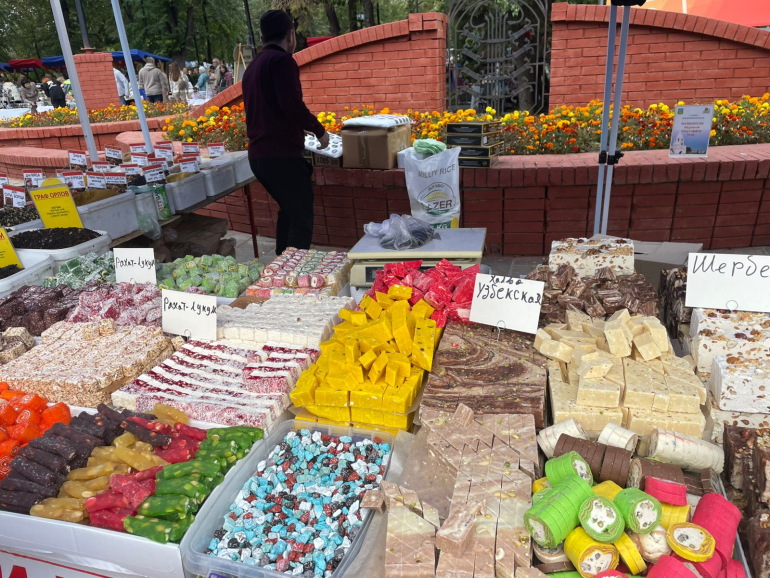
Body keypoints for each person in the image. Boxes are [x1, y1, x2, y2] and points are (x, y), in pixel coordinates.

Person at [243, 10, 329, 255]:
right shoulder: (282, 61)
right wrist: (319, 131)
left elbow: (270, 108)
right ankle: (291, 273)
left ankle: (281, 265)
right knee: (302, 219)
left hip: (259, 156)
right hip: (280, 156)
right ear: (291, 35)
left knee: (290, 212)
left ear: (263, 36)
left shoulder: (253, 66)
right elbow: (291, 104)